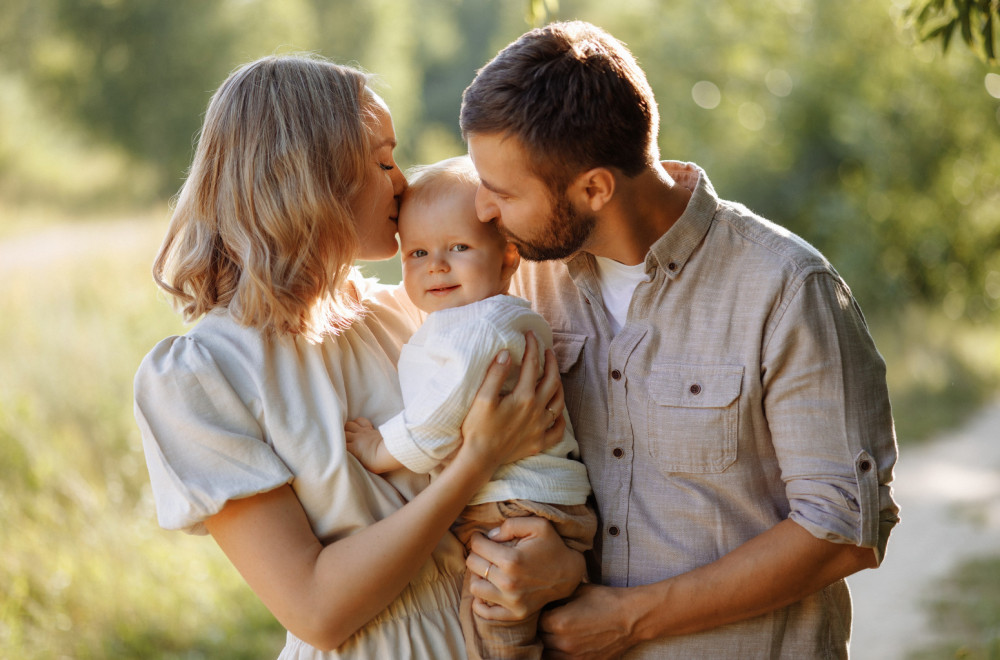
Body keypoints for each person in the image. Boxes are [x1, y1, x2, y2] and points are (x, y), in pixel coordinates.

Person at [458, 21, 901, 659]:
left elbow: (844, 529)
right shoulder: (518, 277)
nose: (481, 209)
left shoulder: (783, 288)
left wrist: (632, 618)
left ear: (594, 188)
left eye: (501, 191)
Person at [132, 54, 568, 659]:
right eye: (383, 160)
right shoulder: (202, 378)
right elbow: (317, 609)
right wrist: (476, 460)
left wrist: (560, 566)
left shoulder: (416, 314)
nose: (403, 182)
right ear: (309, 176)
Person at [343, 155, 596, 660]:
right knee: (504, 622)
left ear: (507, 257)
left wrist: (381, 449)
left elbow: (440, 416)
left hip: (514, 505)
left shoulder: (480, 327)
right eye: (416, 253)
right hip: (528, 499)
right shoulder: (471, 319)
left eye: (458, 248)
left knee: (495, 624)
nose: (436, 265)